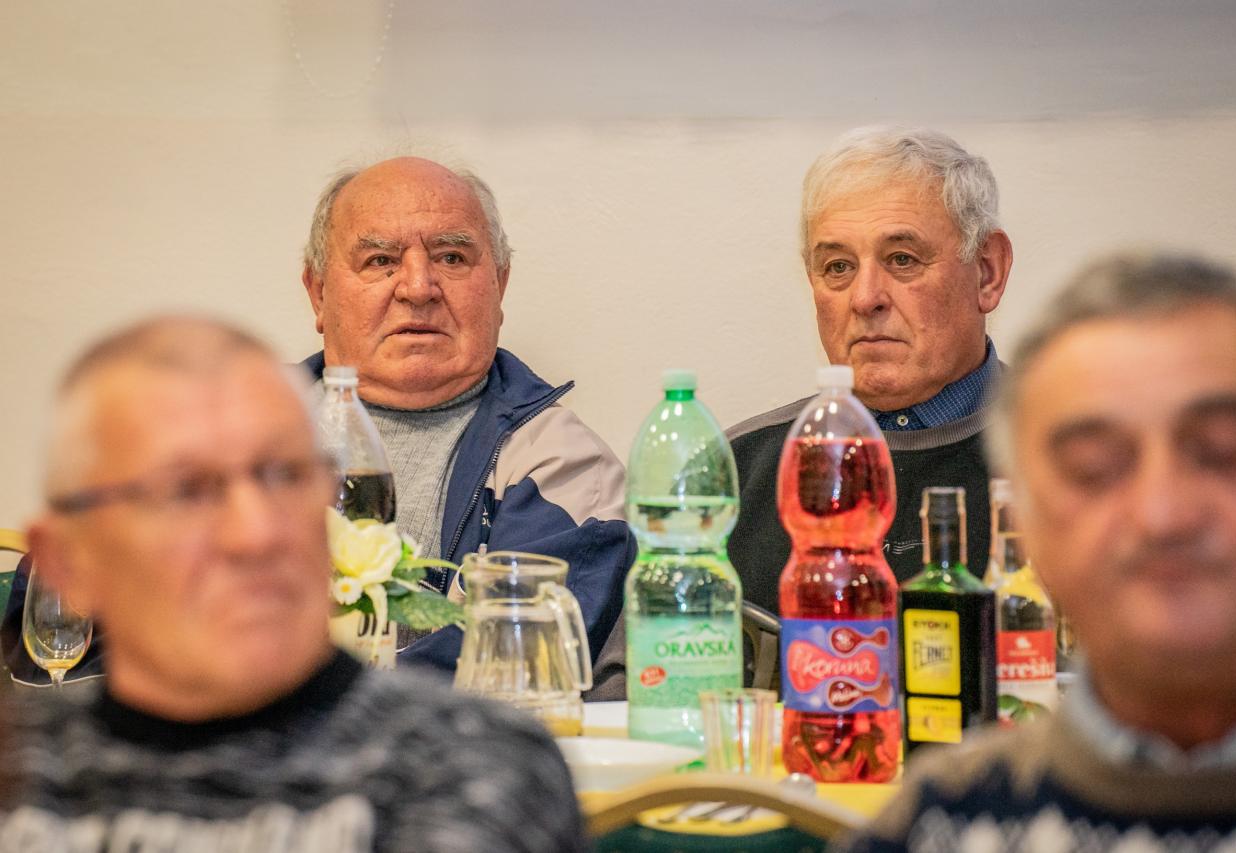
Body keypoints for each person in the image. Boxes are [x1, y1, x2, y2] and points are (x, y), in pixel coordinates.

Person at [2, 317, 586, 851]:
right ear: (68, 564)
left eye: (284, 475)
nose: (257, 533)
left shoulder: (470, 770)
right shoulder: (21, 771)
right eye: (186, 491)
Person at [834, 252, 1236, 851]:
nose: (1163, 513)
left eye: (1223, 451)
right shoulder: (940, 822)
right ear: (1024, 522)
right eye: (1095, 467)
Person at [298, 156, 633, 671]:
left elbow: (512, 659)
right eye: (381, 260)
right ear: (318, 293)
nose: (417, 288)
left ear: (500, 285)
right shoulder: (230, 433)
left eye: (451, 257)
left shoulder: (562, 467)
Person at [728, 127, 1014, 613]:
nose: (865, 299)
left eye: (902, 259)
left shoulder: (1076, 462)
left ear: (987, 272)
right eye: (838, 267)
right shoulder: (736, 476)